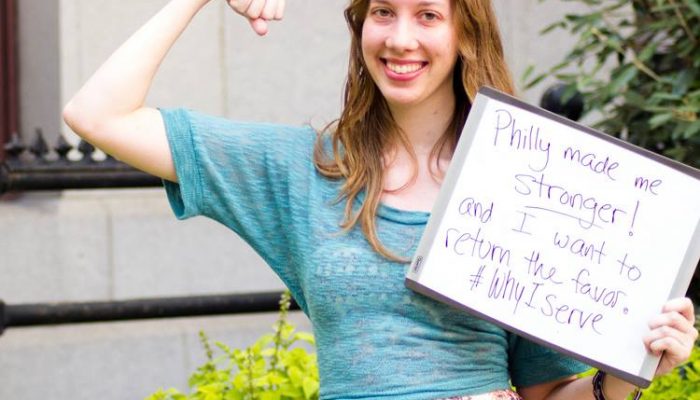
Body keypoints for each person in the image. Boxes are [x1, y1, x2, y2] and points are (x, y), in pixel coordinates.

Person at [62, 0, 698, 399]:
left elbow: (548, 393)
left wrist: (629, 373)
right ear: (360, 25)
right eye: (382, 12)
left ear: (463, 32)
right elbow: (97, 114)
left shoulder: (519, 182)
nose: (400, 38)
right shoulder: (301, 169)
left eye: (427, 14)